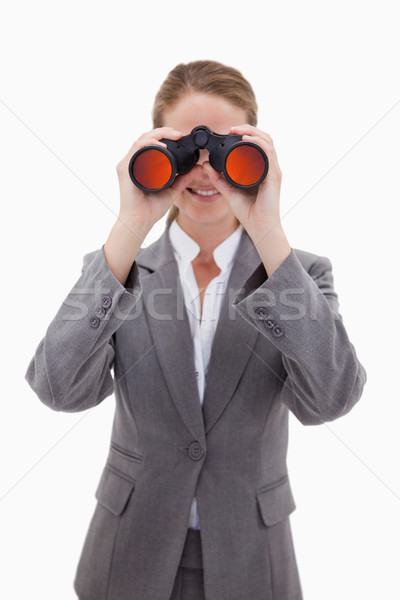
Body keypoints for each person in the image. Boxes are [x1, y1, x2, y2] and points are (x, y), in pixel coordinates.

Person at [25, 60, 366, 600]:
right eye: (183, 152)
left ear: (259, 156)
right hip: (128, 552)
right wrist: (129, 225)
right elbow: (57, 389)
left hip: (252, 555)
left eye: (229, 151)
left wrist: (268, 230)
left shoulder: (301, 274)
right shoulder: (118, 268)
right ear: (151, 153)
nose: (205, 171)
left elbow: (330, 399)